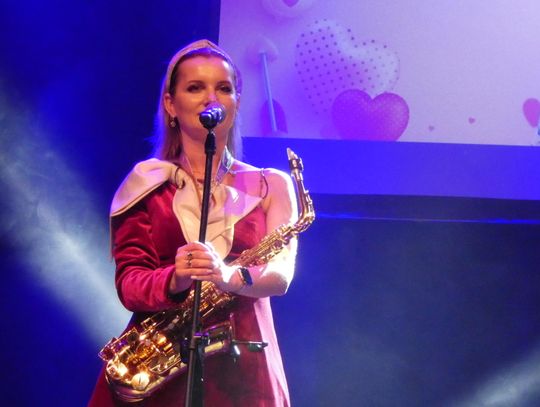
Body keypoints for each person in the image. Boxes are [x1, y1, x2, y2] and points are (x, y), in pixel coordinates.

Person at [88, 39, 298, 406]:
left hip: (244, 368)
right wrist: (176, 278)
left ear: (236, 101)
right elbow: (129, 284)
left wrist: (228, 276)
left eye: (224, 88)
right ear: (171, 104)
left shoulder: (272, 184)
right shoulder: (146, 184)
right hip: (159, 365)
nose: (211, 99)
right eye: (195, 87)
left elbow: (281, 276)